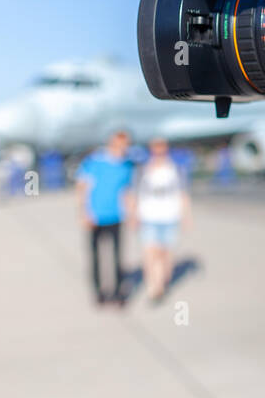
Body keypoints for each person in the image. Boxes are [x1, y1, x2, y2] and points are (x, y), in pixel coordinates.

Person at [76, 130, 135, 305]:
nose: (122, 148)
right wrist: (84, 212)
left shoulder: (126, 165)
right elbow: (82, 187)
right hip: (95, 216)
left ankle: (118, 292)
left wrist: (132, 213)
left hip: (116, 215)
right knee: (96, 256)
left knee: (117, 256)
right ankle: (99, 291)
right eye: (119, 144)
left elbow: (127, 191)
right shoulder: (94, 161)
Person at [132, 137, 190, 303]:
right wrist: (133, 214)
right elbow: (135, 194)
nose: (158, 151)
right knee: (150, 253)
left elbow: (183, 194)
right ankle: (154, 287)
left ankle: (162, 282)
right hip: (149, 217)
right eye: (155, 148)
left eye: (162, 148)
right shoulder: (143, 170)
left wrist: (186, 216)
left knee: (166, 254)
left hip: (170, 217)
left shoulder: (175, 169)